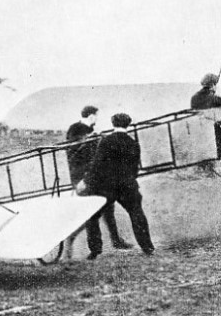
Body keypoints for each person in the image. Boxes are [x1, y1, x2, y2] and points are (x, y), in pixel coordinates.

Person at [81, 113, 155, 259]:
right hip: (127, 186)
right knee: (137, 213)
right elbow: (135, 169)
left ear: (113, 123)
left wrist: (86, 182)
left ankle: (95, 250)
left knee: (92, 216)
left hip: (106, 187)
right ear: (127, 125)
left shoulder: (106, 141)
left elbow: (97, 165)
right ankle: (147, 247)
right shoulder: (133, 143)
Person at [65, 106, 132, 258]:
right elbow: (74, 150)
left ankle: (115, 241)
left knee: (108, 207)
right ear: (91, 116)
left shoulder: (88, 129)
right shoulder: (75, 129)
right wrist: (91, 138)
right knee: (91, 213)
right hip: (83, 177)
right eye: (96, 116)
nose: (96, 118)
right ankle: (74, 239)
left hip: (95, 175)